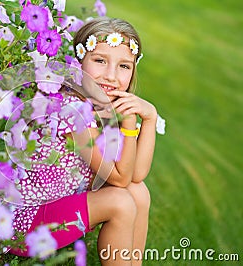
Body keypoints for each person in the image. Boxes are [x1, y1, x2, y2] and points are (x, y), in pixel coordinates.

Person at [10, 17, 157, 266]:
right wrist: (129, 123)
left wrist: (150, 118)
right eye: (100, 61)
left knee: (138, 193)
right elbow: (120, 178)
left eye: (124, 66)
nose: (111, 76)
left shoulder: (105, 107)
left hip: (60, 205)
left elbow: (136, 176)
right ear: (79, 62)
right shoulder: (72, 110)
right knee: (120, 201)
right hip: (23, 224)